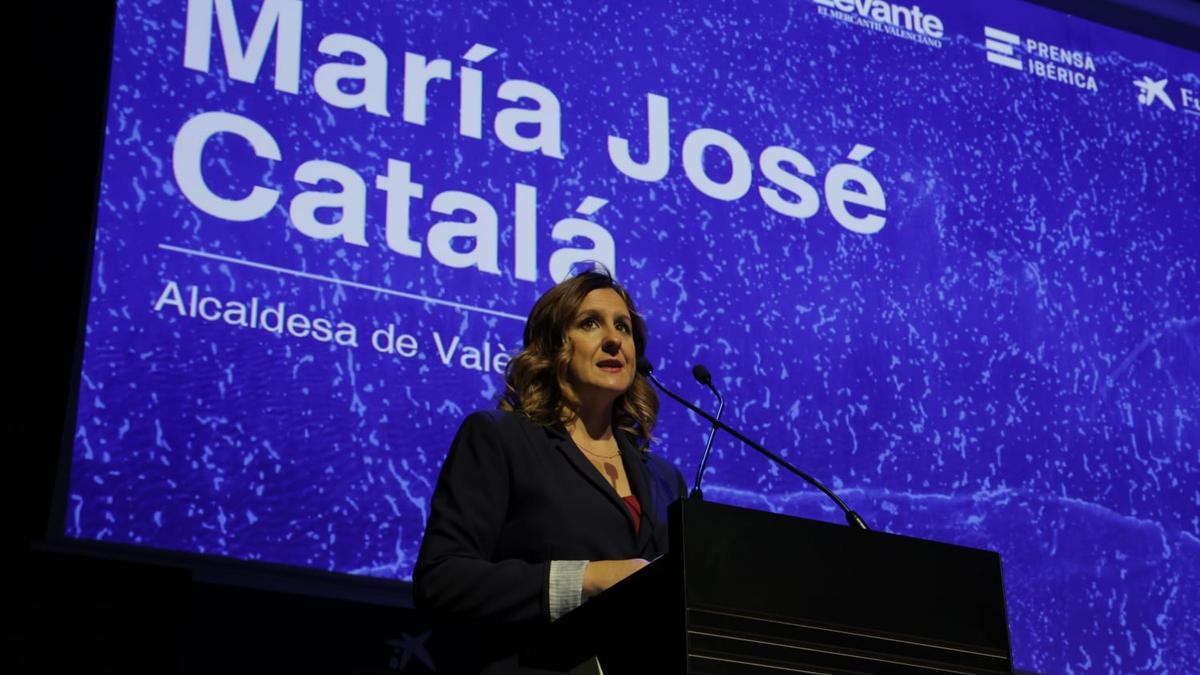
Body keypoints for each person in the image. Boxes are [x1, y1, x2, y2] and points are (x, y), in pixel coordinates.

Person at [413, 269, 686, 673]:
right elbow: (442, 579)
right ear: (553, 346)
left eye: (623, 327)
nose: (614, 339)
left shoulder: (666, 479)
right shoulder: (500, 439)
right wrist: (588, 579)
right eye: (590, 323)